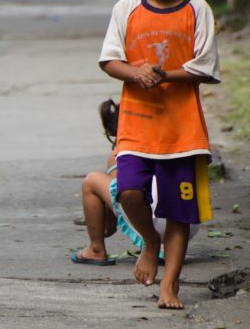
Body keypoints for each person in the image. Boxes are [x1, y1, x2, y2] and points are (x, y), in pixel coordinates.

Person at [97, 0, 220, 309]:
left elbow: (205, 66)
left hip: (183, 133)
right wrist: (135, 73)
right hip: (136, 128)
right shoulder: (126, 9)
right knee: (129, 192)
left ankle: (170, 284)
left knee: (178, 211)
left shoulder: (197, 9)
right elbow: (109, 59)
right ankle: (151, 241)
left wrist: (166, 75)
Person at [70, 101, 199, 267]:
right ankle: (167, 249)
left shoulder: (121, 154)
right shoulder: (173, 141)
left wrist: (105, 228)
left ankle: (96, 249)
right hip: (188, 222)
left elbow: (118, 194)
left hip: (154, 223)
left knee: (92, 180)